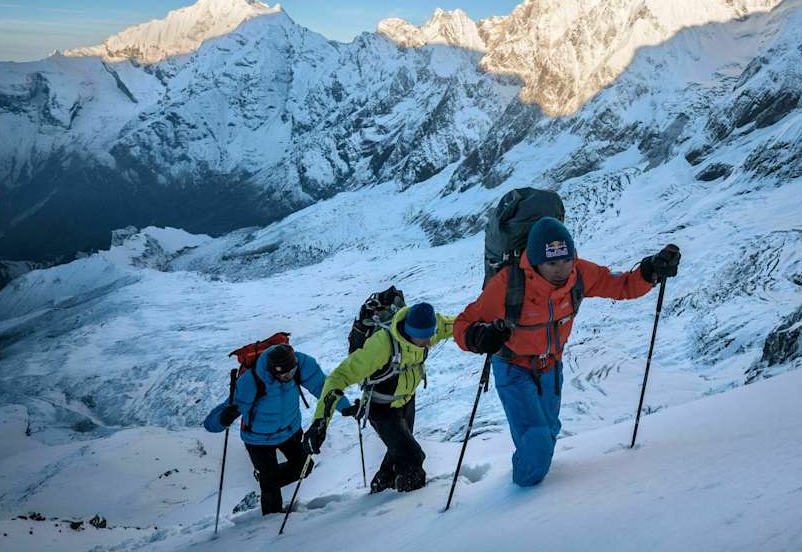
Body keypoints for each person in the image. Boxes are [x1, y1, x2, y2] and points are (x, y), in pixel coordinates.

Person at [454, 217, 680, 486]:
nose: (561, 269)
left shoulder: (579, 275)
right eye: (552, 263)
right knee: (537, 441)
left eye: (566, 260)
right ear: (536, 261)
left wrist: (650, 272)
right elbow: (463, 324)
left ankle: (527, 492)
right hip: (514, 368)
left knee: (548, 431)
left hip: (551, 366)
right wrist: (480, 336)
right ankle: (522, 493)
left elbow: (621, 285)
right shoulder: (509, 284)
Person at [302, 302, 455, 493]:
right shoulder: (381, 347)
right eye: (423, 338)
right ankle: (413, 506)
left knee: (398, 452)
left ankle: (380, 490)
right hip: (381, 409)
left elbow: (459, 324)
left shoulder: (429, 328)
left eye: (431, 335)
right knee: (412, 456)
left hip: (406, 400)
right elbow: (338, 377)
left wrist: (486, 329)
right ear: (408, 331)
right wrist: (320, 422)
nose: (429, 342)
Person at [204, 343, 352, 515]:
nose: (290, 376)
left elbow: (323, 388)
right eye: (284, 374)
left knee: (304, 466)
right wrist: (221, 420)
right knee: (271, 490)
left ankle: (267, 478)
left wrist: (345, 407)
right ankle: (270, 527)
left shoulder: (301, 365)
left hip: (290, 430)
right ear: (272, 370)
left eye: (292, 371)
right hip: (257, 439)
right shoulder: (251, 381)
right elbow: (216, 418)